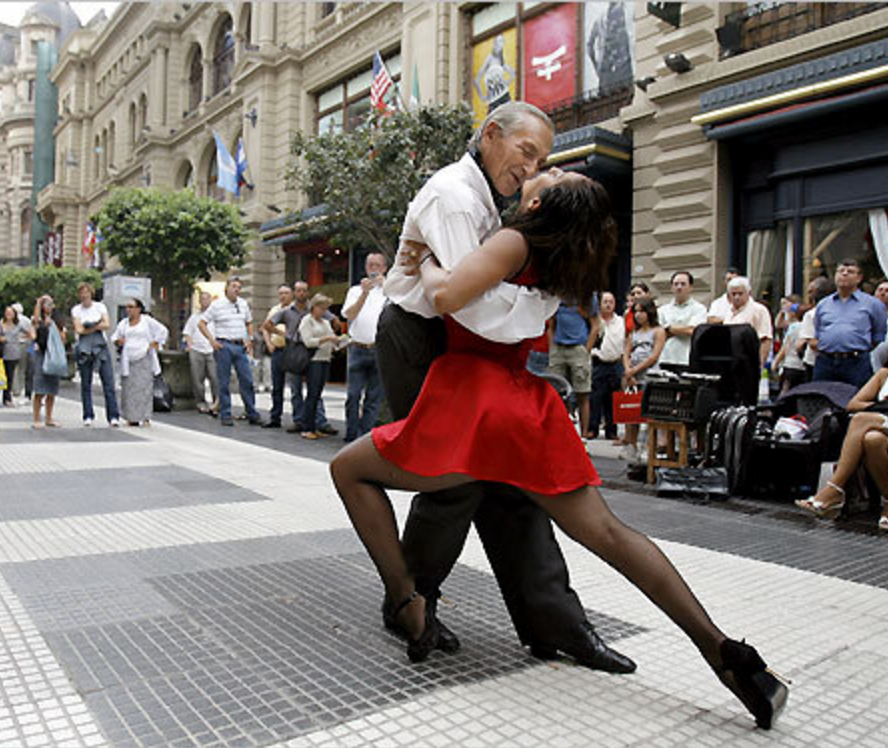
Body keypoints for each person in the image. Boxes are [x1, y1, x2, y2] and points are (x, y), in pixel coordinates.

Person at [331, 169, 788, 730]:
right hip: (525, 409)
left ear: (542, 201)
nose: (539, 170)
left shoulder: (515, 238)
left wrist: (421, 258)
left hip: (473, 404)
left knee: (348, 470)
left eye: (550, 172)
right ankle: (727, 656)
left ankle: (407, 604)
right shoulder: (560, 256)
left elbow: (447, 293)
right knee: (613, 535)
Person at [377, 101, 634, 674]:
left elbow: (477, 294)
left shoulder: (495, 201)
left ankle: (555, 623)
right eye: (527, 153)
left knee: (510, 484)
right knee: (452, 481)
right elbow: (465, 303)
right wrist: (535, 309)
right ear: (491, 134)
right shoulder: (454, 195)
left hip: (471, 350)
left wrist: (531, 305)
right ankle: (411, 605)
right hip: (422, 338)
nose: (532, 167)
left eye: (542, 160)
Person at [796, 327, 888, 532]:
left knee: (862, 421)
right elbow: (854, 404)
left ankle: (834, 489)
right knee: (872, 438)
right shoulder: (886, 374)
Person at [262, 280, 339, 434]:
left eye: (304, 290)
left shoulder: (314, 308)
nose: (301, 293)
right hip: (295, 352)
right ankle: (299, 420)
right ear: (294, 293)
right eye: (298, 290)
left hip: (313, 353)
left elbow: (334, 321)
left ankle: (319, 421)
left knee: (314, 389)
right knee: (296, 388)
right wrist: (284, 334)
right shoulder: (286, 311)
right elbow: (267, 324)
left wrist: (334, 324)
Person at [809, 259, 886, 389]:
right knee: (822, 399)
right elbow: (818, 332)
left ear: (859, 278)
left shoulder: (873, 304)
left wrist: (856, 347)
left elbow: (878, 335)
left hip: (856, 362)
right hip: (825, 361)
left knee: (855, 399)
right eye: (840, 271)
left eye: (850, 272)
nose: (844, 274)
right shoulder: (823, 304)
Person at [198, 277, 262, 427]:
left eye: (239, 287)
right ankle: (225, 414)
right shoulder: (217, 305)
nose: (237, 290)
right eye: (234, 286)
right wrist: (212, 341)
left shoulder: (243, 304)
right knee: (224, 381)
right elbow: (202, 323)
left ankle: (251, 412)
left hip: (240, 345)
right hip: (224, 345)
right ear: (226, 288)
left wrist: (249, 339)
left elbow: (248, 322)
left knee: (247, 380)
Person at [342, 252, 388, 442]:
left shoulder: (391, 291)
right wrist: (364, 294)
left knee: (374, 398)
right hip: (357, 349)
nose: (374, 269)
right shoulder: (355, 290)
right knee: (353, 396)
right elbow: (349, 315)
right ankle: (352, 435)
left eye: (378, 265)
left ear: (385, 268)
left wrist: (386, 285)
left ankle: (364, 437)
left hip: (379, 350)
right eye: (370, 265)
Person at [620, 297, 665, 460]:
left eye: (642, 311)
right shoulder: (634, 333)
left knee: (649, 413)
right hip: (632, 374)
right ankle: (631, 445)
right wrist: (628, 371)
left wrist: (635, 370)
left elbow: (654, 356)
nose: (639, 315)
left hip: (648, 375)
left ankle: (647, 447)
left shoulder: (658, 331)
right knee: (631, 413)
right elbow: (626, 352)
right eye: (636, 312)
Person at [71, 282, 121, 427]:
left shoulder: (100, 306)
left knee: (108, 382)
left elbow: (107, 324)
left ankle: (113, 416)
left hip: (101, 346)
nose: (84, 295)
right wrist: (95, 326)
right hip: (84, 348)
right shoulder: (76, 309)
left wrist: (89, 326)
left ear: (91, 293)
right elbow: (79, 329)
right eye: (81, 292)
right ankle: (88, 415)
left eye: (86, 292)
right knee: (85, 383)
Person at [112, 299, 167, 427]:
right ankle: (131, 417)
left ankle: (145, 416)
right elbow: (115, 337)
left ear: (138, 309)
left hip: (143, 356)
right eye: (127, 307)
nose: (129, 310)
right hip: (129, 358)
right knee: (129, 389)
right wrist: (119, 341)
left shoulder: (146, 321)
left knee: (144, 388)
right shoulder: (124, 323)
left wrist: (155, 343)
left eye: (131, 307)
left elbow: (162, 330)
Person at [548, 297, 596, 437]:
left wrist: (586, 350)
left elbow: (595, 325)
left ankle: (584, 436)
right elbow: (551, 324)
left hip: (578, 346)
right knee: (557, 393)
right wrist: (552, 348)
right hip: (559, 347)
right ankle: (560, 433)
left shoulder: (586, 295)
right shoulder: (557, 296)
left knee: (582, 393)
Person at [297, 294, 341, 440]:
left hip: (325, 359)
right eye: (321, 308)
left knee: (318, 395)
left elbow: (332, 338)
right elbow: (308, 341)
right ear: (314, 307)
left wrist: (338, 342)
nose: (323, 311)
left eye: (325, 309)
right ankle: (307, 428)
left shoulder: (325, 323)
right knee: (312, 394)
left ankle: (314, 426)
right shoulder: (307, 321)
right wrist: (328, 338)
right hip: (313, 360)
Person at [585, 291, 625, 441]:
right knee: (595, 397)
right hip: (598, 362)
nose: (608, 305)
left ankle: (611, 430)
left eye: (611, 302)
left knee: (613, 398)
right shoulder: (594, 321)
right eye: (605, 302)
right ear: (599, 304)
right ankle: (592, 428)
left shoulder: (621, 321)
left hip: (615, 363)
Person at [658, 271, 707, 373]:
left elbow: (693, 331)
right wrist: (682, 329)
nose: (679, 287)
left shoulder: (699, 309)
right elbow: (659, 334)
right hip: (665, 359)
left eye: (683, 284)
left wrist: (668, 328)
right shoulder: (662, 310)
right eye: (676, 284)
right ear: (671, 288)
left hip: (686, 359)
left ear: (690, 287)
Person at [29, 295, 65, 429]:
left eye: (50, 303)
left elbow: (63, 337)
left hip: (54, 355)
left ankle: (49, 417)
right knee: (39, 387)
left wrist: (54, 327)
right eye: (46, 304)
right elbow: (35, 322)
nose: (48, 306)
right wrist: (38, 302)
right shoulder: (38, 320)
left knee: (52, 389)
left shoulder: (58, 320)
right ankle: (37, 418)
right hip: (42, 353)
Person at [261, 284, 294, 427]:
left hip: (293, 351)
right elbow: (265, 327)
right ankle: (275, 417)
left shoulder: (295, 309)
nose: (283, 296)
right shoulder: (274, 310)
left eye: (286, 293)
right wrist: (269, 343)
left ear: (291, 294)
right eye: (281, 293)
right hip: (278, 350)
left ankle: (298, 419)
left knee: (295, 386)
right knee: (277, 386)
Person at [722, 277, 773, 367]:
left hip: (749, 361)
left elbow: (765, 339)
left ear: (748, 293)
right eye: (733, 294)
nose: (737, 297)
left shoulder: (759, 310)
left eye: (740, 294)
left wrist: (760, 365)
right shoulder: (728, 311)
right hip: (730, 360)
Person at [182, 290, 219, 415]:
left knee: (215, 377)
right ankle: (201, 402)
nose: (204, 301)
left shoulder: (216, 317)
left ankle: (216, 403)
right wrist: (189, 345)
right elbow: (187, 333)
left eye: (207, 299)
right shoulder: (194, 317)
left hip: (212, 349)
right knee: (198, 379)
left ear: (211, 301)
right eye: (202, 299)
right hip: (197, 349)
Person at [797, 276, 836, 381]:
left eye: (810, 292)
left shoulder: (812, 314)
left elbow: (809, 342)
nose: (808, 295)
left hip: (817, 363)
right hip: (815, 361)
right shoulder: (811, 314)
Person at [0, 305, 24, 407]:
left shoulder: (18, 326)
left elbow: (29, 333)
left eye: (11, 313)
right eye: (7, 312)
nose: (8, 315)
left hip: (13, 353)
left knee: (9, 376)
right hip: (0, 352)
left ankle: (7, 398)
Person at [772, 303, 807, 396]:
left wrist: (776, 362)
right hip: (802, 366)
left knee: (786, 393)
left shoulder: (794, 327)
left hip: (790, 364)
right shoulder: (808, 328)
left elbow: (785, 346)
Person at [11, 302, 34, 402]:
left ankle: (15, 389)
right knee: (22, 368)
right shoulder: (27, 320)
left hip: (14, 344)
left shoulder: (13, 320)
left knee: (14, 367)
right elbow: (31, 333)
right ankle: (21, 387)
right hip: (25, 344)